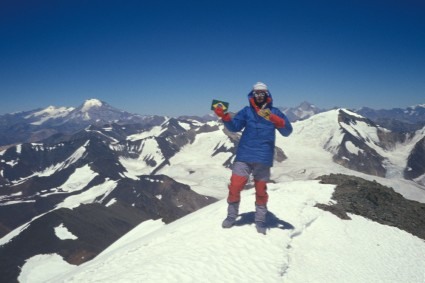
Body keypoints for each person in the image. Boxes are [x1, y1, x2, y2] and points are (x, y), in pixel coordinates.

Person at [214, 82, 293, 234]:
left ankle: (260, 221)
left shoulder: (274, 112)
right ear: (252, 94)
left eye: (262, 93)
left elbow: (287, 131)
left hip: (263, 158)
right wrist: (225, 116)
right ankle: (231, 216)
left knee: (261, 191)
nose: (259, 95)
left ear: (267, 94)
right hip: (244, 155)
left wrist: (277, 120)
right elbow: (234, 127)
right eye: (257, 93)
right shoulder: (246, 111)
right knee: (235, 186)